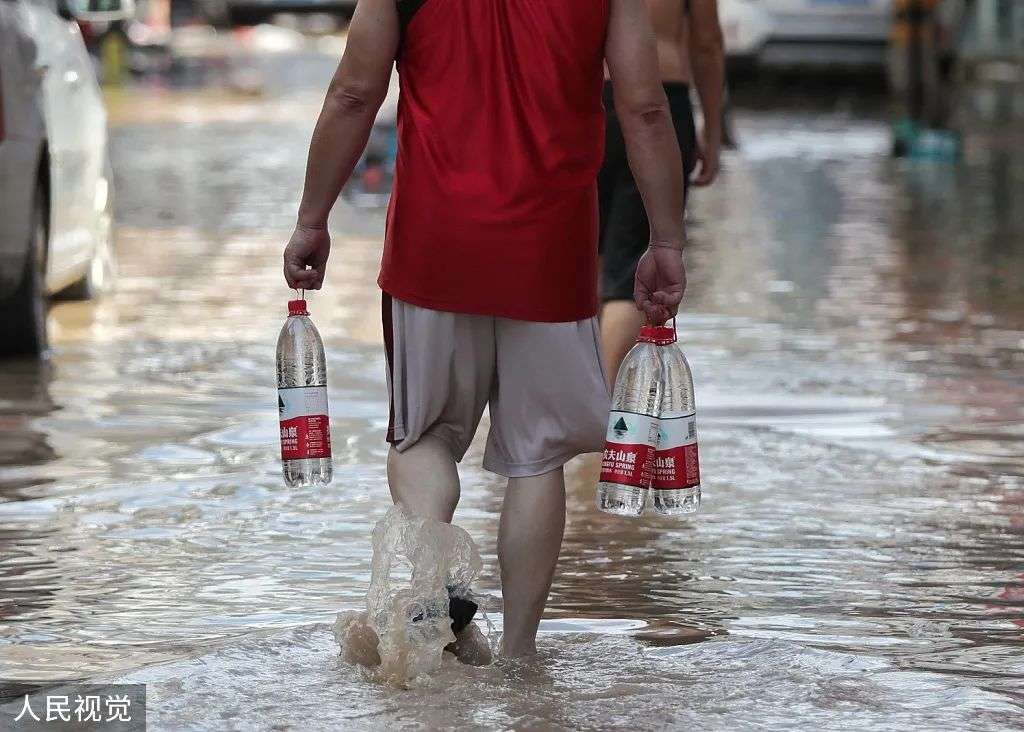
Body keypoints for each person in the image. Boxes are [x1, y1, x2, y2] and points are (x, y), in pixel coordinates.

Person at [283, 0, 688, 658]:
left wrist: (312, 218)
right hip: (551, 248)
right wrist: (665, 238)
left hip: (434, 243)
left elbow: (354, 92)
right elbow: (643, 108)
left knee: (425, 436)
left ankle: (438, 591)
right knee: (537, 456)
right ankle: (521, 657)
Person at [599, 0, 725, 384]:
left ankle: (573, 418)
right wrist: (714, 132)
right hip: (659, 99)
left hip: (580, 100)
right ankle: (599, 420)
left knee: (587, 262)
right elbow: (706, 42)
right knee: (631, 272)